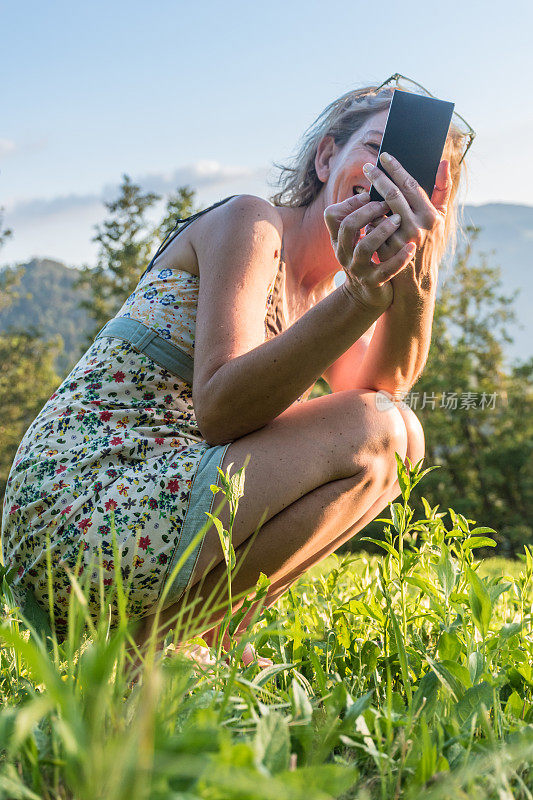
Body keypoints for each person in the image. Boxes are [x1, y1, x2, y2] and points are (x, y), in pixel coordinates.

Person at [1, 78, 469, 667]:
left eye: (417, 176)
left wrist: (413, 279)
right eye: (379, 150)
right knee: (380, 430)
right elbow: (221, 410)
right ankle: (138, 652)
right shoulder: (253, 225)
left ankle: (191, 640)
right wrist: (361, 298)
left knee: (398, 435)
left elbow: (381, 396)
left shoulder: (323, 291)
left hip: (145, 517)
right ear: (327, 157)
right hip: (76, 508)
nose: (392, 178)